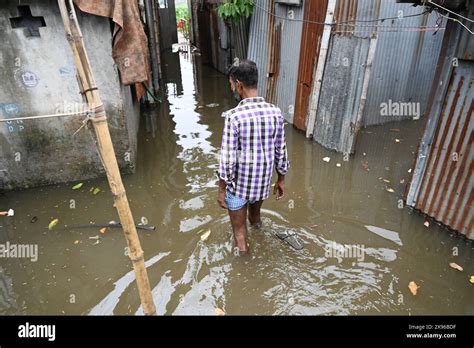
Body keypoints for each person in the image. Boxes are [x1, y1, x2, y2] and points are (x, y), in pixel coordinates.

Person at [217, 59, 290, 254]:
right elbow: (280, 151)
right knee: (255, 220)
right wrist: (281, 179)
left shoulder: (234, 116)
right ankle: (262, 241)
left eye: (232, 85)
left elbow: (228, 158)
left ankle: (246, 271)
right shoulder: (275, 113)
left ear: (239, 85)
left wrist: (222, 189)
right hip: (262, 184)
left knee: (240, 235)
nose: (233, 89)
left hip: (238, 188)